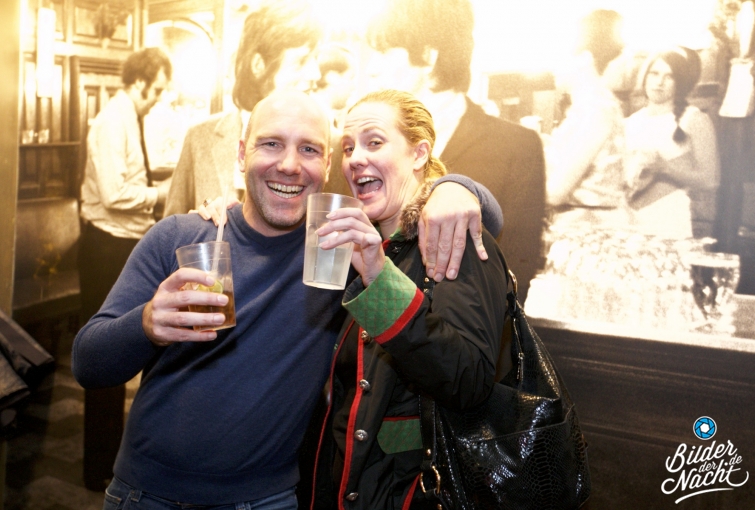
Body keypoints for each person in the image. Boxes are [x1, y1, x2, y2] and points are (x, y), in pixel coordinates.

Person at [72, 90, 502, 509]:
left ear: (326, 166)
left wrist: (457, 188)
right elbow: (88, 364)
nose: (290, 165)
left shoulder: (336, 252)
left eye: (309, 149)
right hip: (146, 492)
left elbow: (467, 236)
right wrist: (147, 324)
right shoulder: (182, 235)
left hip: (268, 497)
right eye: (271, 144)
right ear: (241, 154)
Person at [307, 89, 508, 509]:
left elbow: (469, 381)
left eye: (374, 142)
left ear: (419, 154)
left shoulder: (452, 238)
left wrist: (379, 279)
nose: (355, 158)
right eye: (348, 147)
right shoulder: (363, 245)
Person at [363, 0, 546, 300]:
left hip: (461, 324)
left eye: (383, 53)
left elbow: (514, 276)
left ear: (428, 56)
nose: (371, 69)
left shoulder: (515, 147)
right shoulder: (358, 147)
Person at [77, 46, 172, 491]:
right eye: (157, 89)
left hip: (122, 241)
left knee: (127, 350)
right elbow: (115, 194)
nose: (159, 97)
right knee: (105, 353)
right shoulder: (112, 121)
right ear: (139, 82)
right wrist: (162, 194)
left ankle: (112, 456)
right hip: (104, 244)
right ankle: (98, 468)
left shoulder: (130, 118)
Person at [163, 0, 322, 217]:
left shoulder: (330, 145)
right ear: (259, 65)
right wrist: (191, 227)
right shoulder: (200, 137)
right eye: (301, 61)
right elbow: (171, 225)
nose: (316, 73)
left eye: (316, 59)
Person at [544, 9, 632, 230]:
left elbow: (555, 192)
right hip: (580, 225)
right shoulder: (588, 107)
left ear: (585, 58)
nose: (551, 67)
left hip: (592, 230)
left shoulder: (597, 110)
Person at [625, 47, 720, 238]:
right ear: (645, 77)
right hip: (628, 219)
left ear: (680, 83)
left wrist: (665, 167)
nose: (659, 82)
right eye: (654, 73)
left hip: (668, 218)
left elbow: (711, 181)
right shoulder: (630, 122)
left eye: (669, 76)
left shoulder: (694, 119)